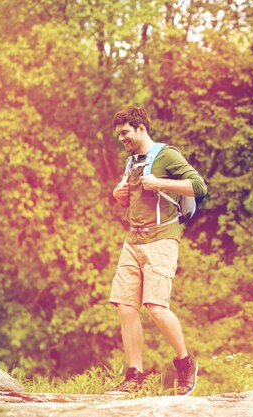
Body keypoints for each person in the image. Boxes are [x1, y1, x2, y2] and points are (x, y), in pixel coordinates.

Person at [106, 106, 207, 396]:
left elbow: (199, 186)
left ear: (140, 128)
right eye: (119, 134)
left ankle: (186, 364)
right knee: (125, 307)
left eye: (125, 133)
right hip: (133, 240)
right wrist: (119, 196)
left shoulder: (167, 155)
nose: (121, 138)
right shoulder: (131, 162)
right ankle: (134, 375)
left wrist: (160, 182)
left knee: (155, 308)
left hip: (162, 241)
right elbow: (135, 200)